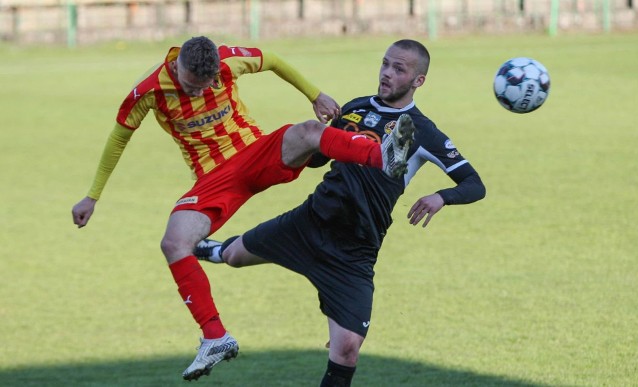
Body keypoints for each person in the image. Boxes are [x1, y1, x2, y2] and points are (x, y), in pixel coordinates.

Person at [70, 36, 413, 381]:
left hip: (255, 154)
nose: (199, 93)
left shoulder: (228, 60)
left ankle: (382, 155)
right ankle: (215, 336)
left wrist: (315, 94)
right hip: (215, 180)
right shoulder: (147, 92)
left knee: (309, 131)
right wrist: (92, 196)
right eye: (192, 86)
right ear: (176, 67)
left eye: (207, 86)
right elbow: (119, 138)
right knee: (174, 243)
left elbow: (273, 59)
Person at [195, 39, 487, 386]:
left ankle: (382, 155)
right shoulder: (356, 108)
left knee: (347, 348)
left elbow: (473, 183)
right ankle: (205, 247)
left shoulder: (422, 130)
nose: (387, 74)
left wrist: (441, 197)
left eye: (399, 69)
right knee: (233, 256)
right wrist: (316, 136)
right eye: (385, 64)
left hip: (355, 250)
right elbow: (318, 160)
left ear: (418, 81)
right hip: (310, 222)